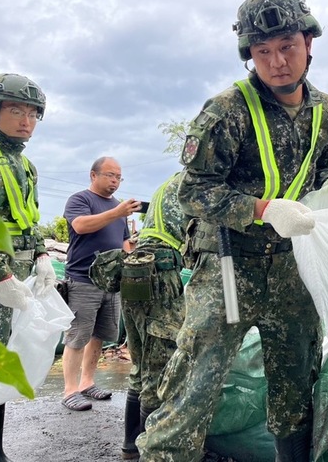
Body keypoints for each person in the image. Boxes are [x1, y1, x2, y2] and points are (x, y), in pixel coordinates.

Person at [136, 0, 328, 462]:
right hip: (229, 266)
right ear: (249, 54)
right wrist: (262, 209)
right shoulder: (226, 110)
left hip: (293, 267)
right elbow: (192, 191)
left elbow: (327, 170)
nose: (277, 62)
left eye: (287, 47)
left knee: (296, 388)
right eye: (262, 51)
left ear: (309, 43)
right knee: (194, 387)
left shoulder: (326, 112)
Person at [0, 72, 56, 462]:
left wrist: (43, 253)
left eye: (33, 113)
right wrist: (0, 274)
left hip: (10, 284)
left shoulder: (24, 165)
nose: (26, 121)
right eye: (16, 110)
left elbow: (25, 220)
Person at [61, 156, 142, 412]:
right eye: (109, 175)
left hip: (111, 283)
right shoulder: (80, 200)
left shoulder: (119, 207)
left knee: (100, 336)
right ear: (93, 175)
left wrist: (134, 251)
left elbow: (124, 242)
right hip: (82, 279)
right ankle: (69, 390)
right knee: (77, 336)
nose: (115, 181)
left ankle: (87, 382)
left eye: (118, 177)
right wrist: (117, 212)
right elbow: (81, 226)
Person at [118, 172, 188, 460]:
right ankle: (151, 450)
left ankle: (131, 446)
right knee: (157, 368)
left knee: (141, 363)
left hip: (136, 270)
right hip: (160, 272)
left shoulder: (168, 185)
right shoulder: (197, 183)